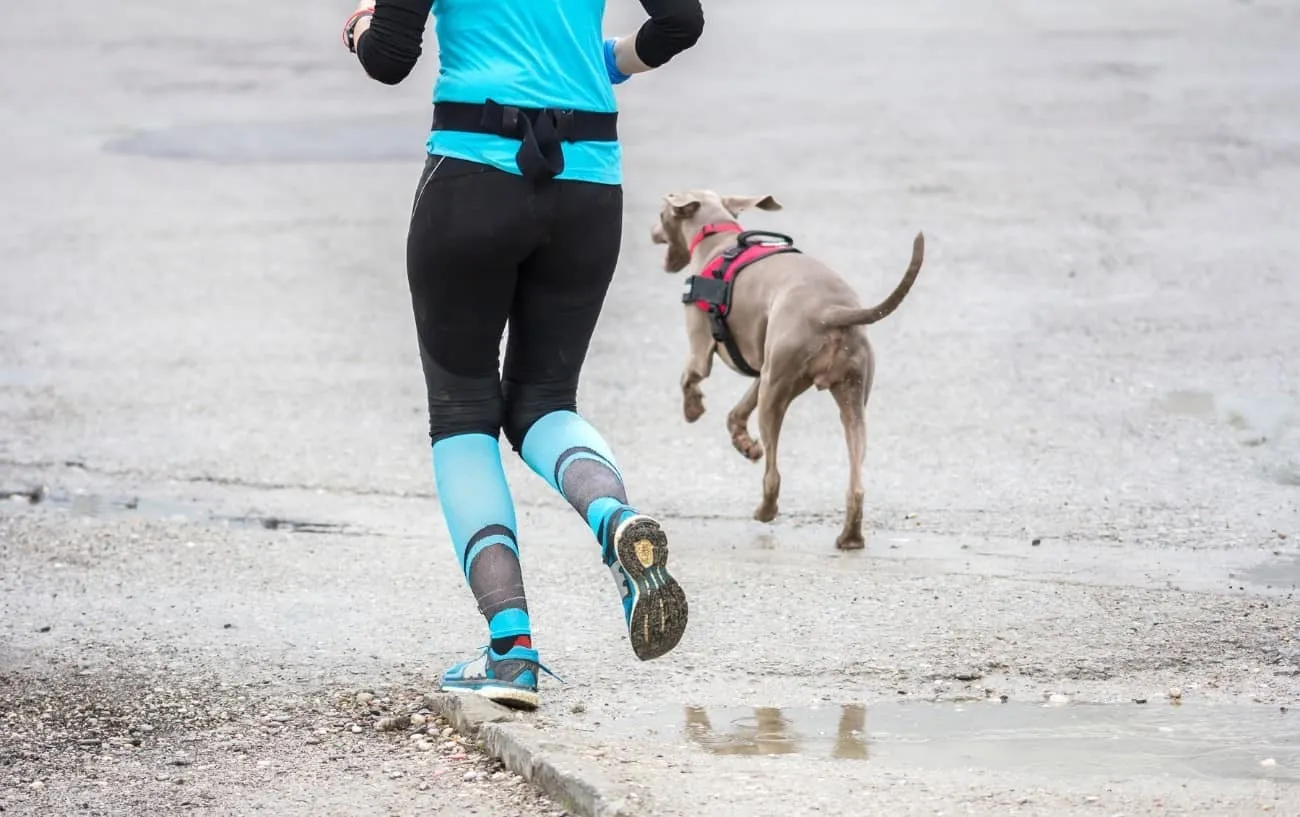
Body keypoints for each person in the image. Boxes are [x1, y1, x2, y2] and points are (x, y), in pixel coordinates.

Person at [340, 0, 705, 710]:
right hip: (588, 183)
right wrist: (607, 62)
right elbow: (681, 22)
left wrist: (358, 26)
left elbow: (389, 58)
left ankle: (512, 652)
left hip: (473, 176)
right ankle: (615, 520)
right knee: (545, 400)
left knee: (463, 411)